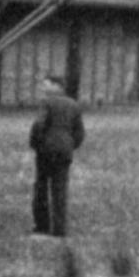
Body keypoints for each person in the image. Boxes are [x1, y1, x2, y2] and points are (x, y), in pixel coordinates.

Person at [29, 74, 85, 238]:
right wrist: (70, 145)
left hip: (46, 150)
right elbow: (79, 132)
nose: (43, 88)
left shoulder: (46, 103)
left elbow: (39, 125)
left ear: (57, 87)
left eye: (46, 85)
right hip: (65, 152)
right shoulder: (74, 105)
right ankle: (60, 230)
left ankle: (42, 226)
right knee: (60, 189)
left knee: (41, 187)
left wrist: (36, 143)